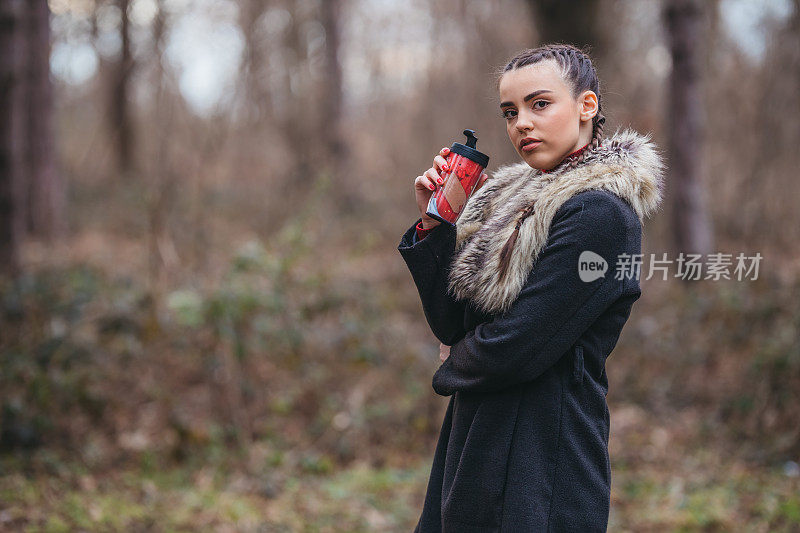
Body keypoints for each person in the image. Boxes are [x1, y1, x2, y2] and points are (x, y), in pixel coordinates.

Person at [397, 44, 665, 532]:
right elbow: (452, 321)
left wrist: (452, 362)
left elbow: (521, 344)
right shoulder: (505, 199)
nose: (521, 122)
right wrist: (436, 224)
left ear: (587, 106)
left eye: (539, 104)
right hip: (477, 437)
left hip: (542, 455)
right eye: (510, 111)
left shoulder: (600, 213)